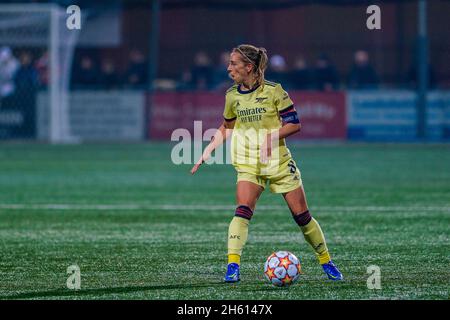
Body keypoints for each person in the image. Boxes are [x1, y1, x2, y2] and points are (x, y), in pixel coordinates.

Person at [190, 44, 343, 282]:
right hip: (248, 162)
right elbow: (227, 126)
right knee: (242, 212)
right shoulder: (231, 95)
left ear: (248, 67)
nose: (229, 67)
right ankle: (232, 266)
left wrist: (271, 137)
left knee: (302, 216)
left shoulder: (274, 91)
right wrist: (208, 150)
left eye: (233, 63)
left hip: (278, 163)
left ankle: (326, 261)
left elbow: (294, 124)